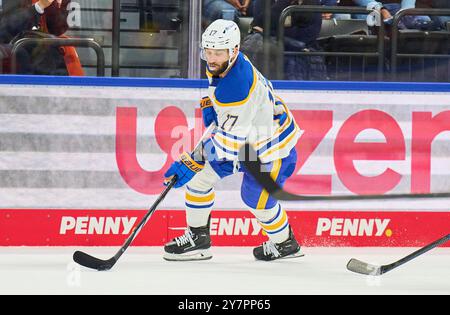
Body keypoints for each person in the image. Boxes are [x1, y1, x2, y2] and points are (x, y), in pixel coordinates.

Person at [163, 19, 303, 262]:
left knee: (255, 200)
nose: (212, 58)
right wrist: (210, 105)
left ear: (234, 50)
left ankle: (285, 244)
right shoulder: (224, 63)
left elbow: (227, 143)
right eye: (208, 51)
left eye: (218, 52)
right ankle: (198, 239)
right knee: (198, 179)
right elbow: (223, 109)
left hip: (270, 147)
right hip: (245, 136)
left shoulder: (237, 86)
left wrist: (191, 160)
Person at [0, 0, 82, 75]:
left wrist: (55, 6)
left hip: (46, 48)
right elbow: (6, 28)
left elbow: (57, 29)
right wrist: (39, 6)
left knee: (64, 51)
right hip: (17, 47)